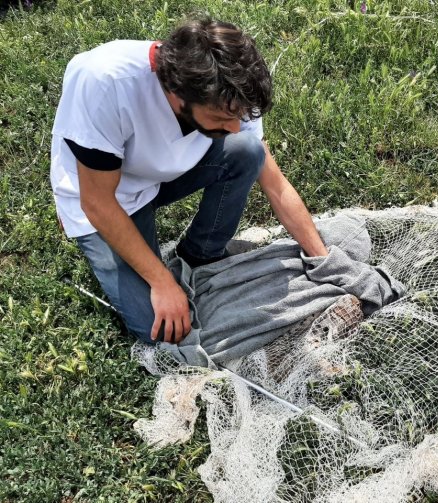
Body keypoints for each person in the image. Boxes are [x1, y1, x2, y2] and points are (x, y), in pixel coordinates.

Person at [50, 18, 328, 346]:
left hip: (160, 173)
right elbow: (97, 202)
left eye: (238, 117)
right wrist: (163, 283)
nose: (235, 128)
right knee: (163, 332)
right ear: (178, 94)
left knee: (248, 151)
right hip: (107, 198)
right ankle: (137, 257)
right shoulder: (107, 83)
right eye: (223, 120)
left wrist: (322, 259)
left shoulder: (230, 92)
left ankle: (200, 255)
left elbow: (276, 185)